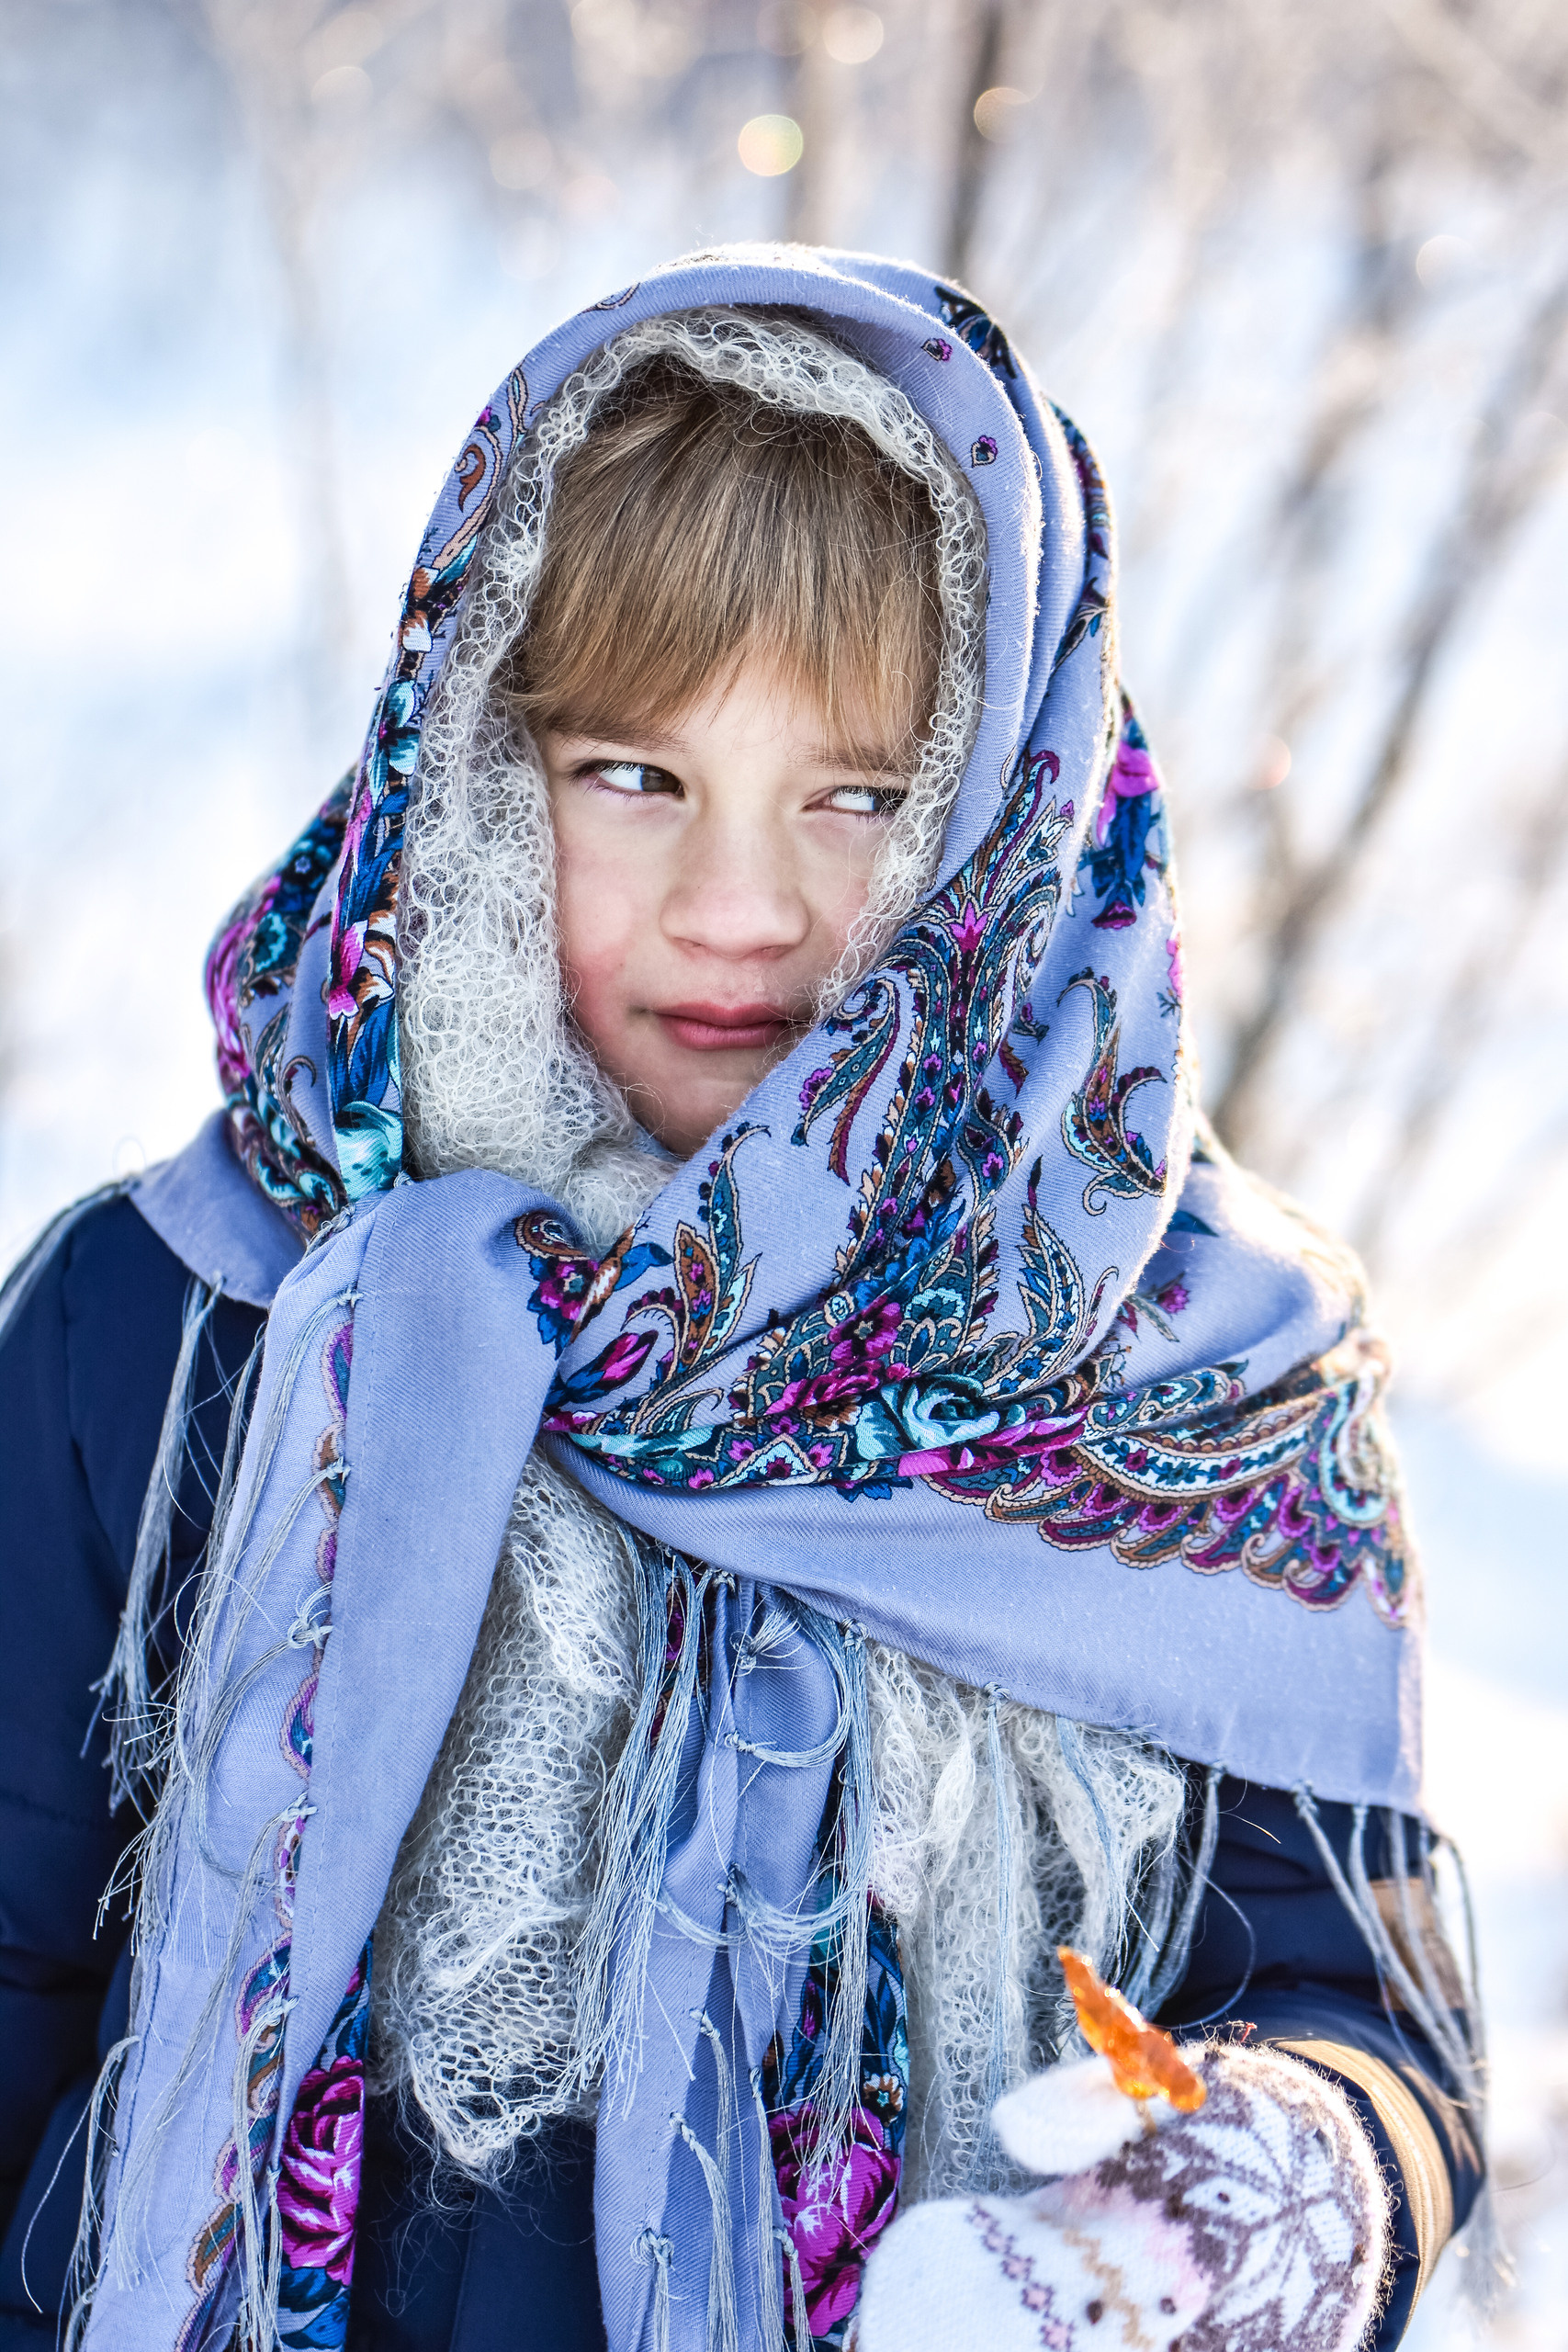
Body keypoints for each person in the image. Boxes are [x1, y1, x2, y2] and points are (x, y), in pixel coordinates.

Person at [0, 249, 1487, 2352]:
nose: (742, 906)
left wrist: (1232, 2204)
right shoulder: (179, 1319)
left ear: (1012, 816)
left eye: (861, 795)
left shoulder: (1195, 1382)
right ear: (483, 766)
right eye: (635, 773)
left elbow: (1365, 2026)